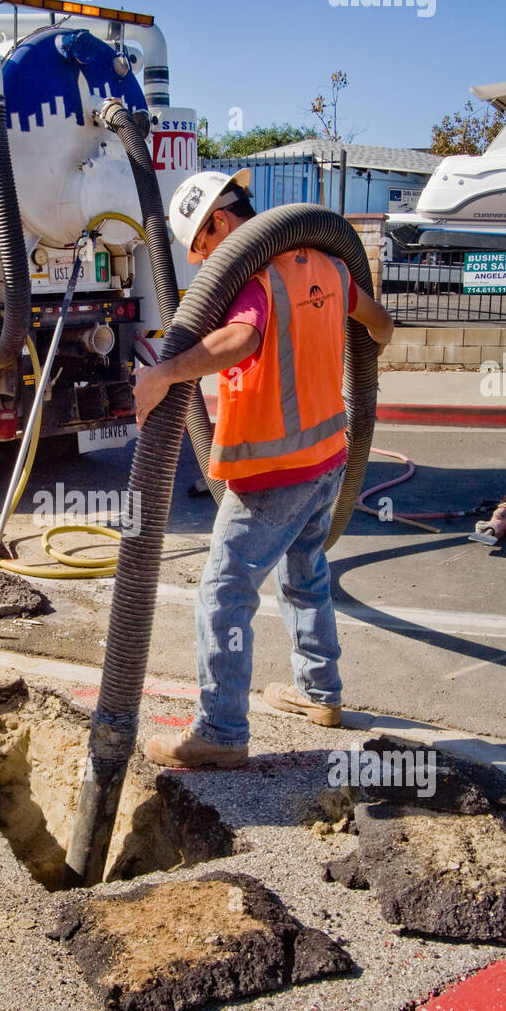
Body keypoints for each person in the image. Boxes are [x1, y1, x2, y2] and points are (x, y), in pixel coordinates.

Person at [134, 170, 395, 770]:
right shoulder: (326, 267)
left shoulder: (254, 273)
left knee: (224, 593)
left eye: (200, 249)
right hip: (327, 455)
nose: (202, 264)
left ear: (220, 226)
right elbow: (379, 326)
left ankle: (221, 729)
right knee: (305, 572)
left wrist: (166, 373)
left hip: (273, 470)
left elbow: (242, 340)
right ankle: (319, 693)